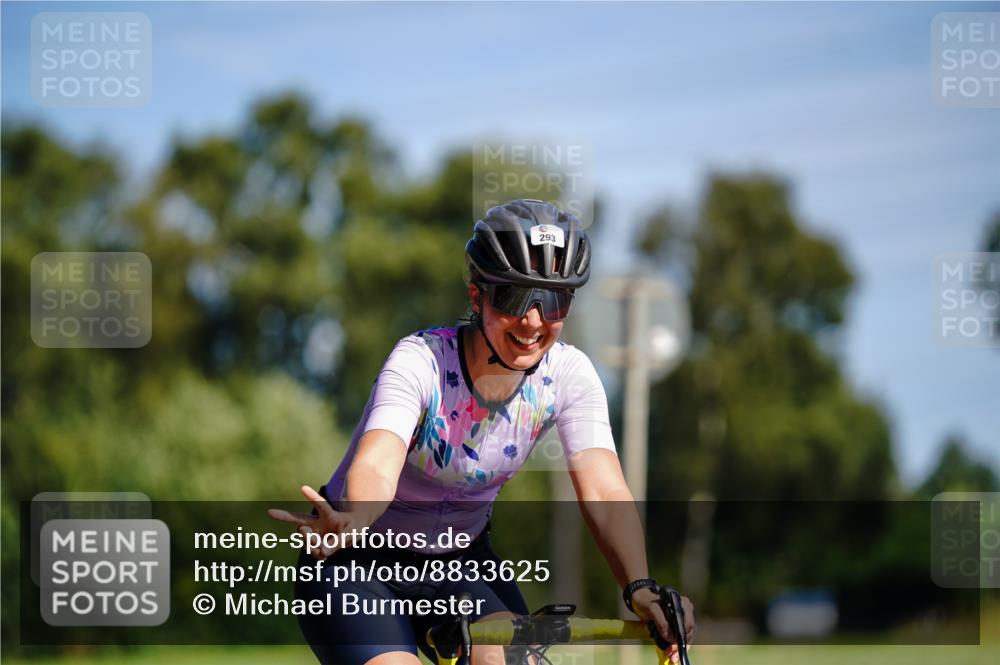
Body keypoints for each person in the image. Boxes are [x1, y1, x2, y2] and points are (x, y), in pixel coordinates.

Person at [268, 199, 695, 665]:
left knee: (510, 661)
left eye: (554, 300)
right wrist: (358, 516)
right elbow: (376, 461)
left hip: (461, 565)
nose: (533, 321)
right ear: (477, 298)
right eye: (513, 297)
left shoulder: (569, 375)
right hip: (356, 559)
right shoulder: (421, 361)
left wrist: (639, 586)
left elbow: (605, 489)